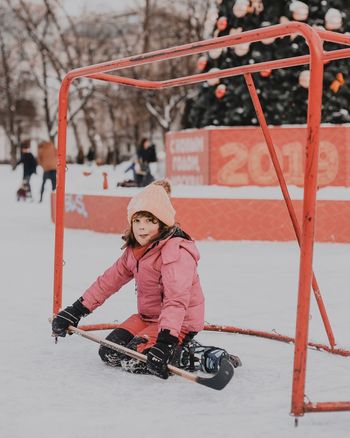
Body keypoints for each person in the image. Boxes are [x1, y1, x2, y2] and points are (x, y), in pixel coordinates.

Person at [51, 180, 240, 379]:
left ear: (163, 223)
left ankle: (200, 355)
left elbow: (176, 300)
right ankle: (169, 345)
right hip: (148, 318)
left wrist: (165, 342)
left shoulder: (176, 252)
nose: (142, 228)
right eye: (137, 221)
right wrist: (75, 311)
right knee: (109, 353)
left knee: (140, 359)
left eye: (150, 221)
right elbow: (108, 281)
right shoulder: (135, 251)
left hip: (180, 321)